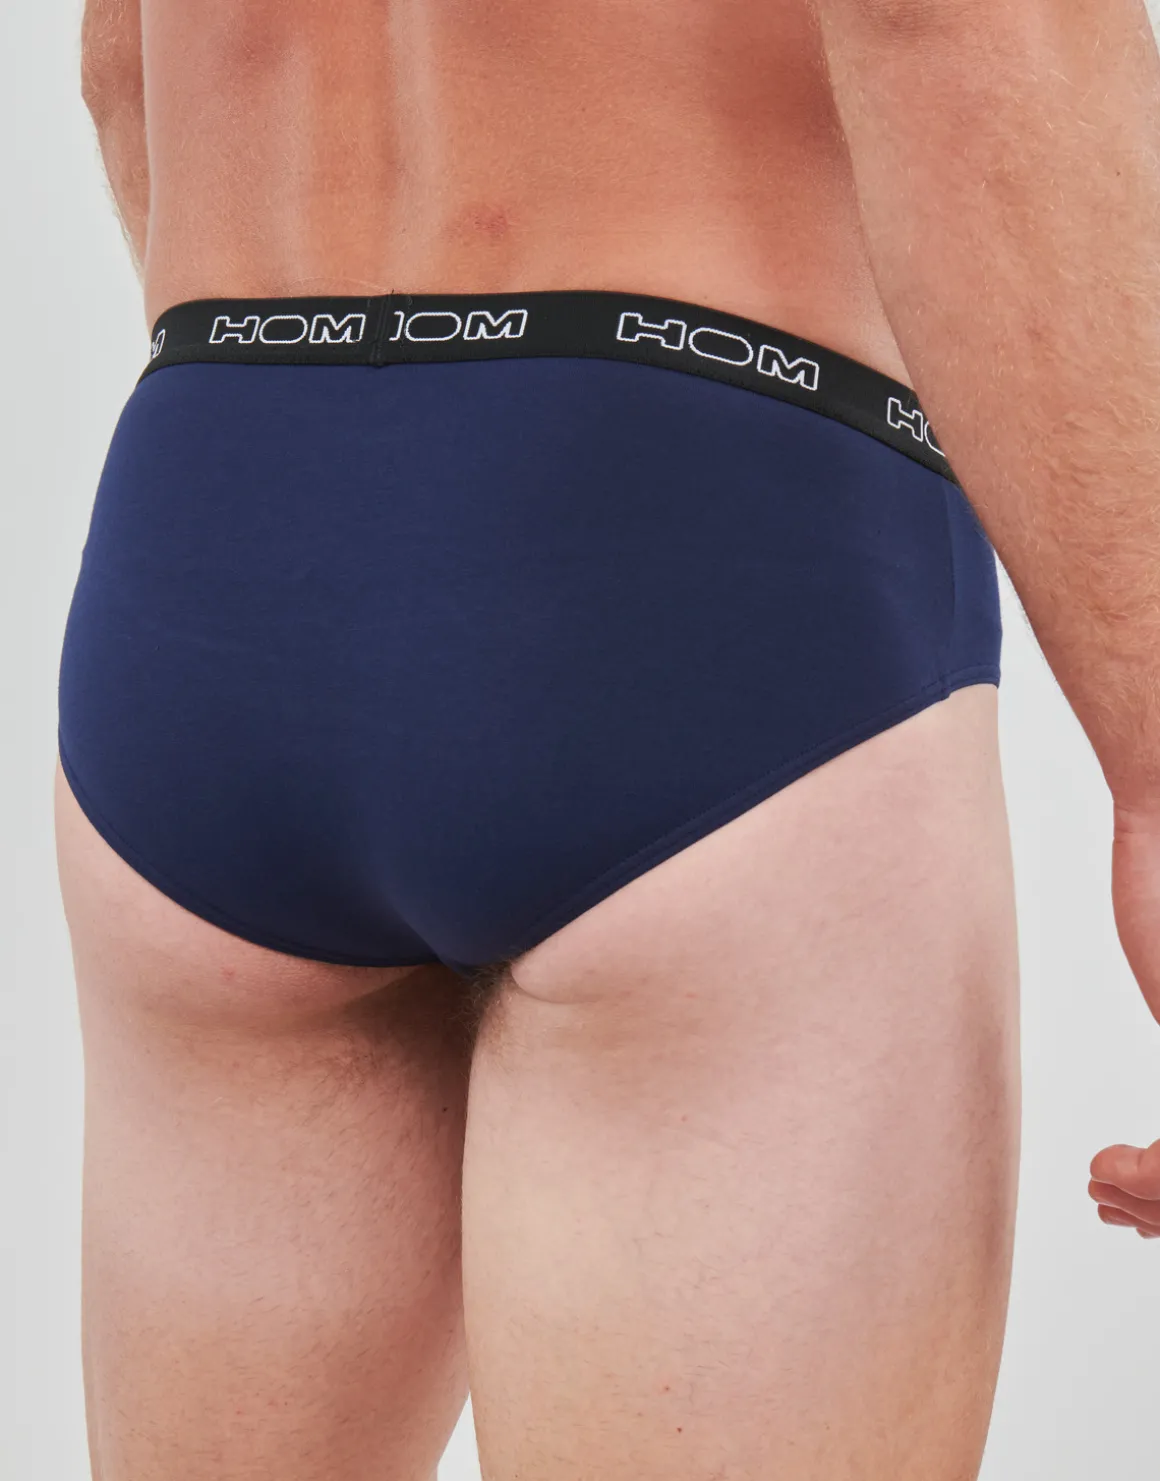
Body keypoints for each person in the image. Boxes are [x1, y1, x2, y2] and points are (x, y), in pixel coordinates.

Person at [62, 0, 1160, 1476]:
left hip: (215, 518)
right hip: (695, 524)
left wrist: (327, 518)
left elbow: (120, 68)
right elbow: (951, 21)